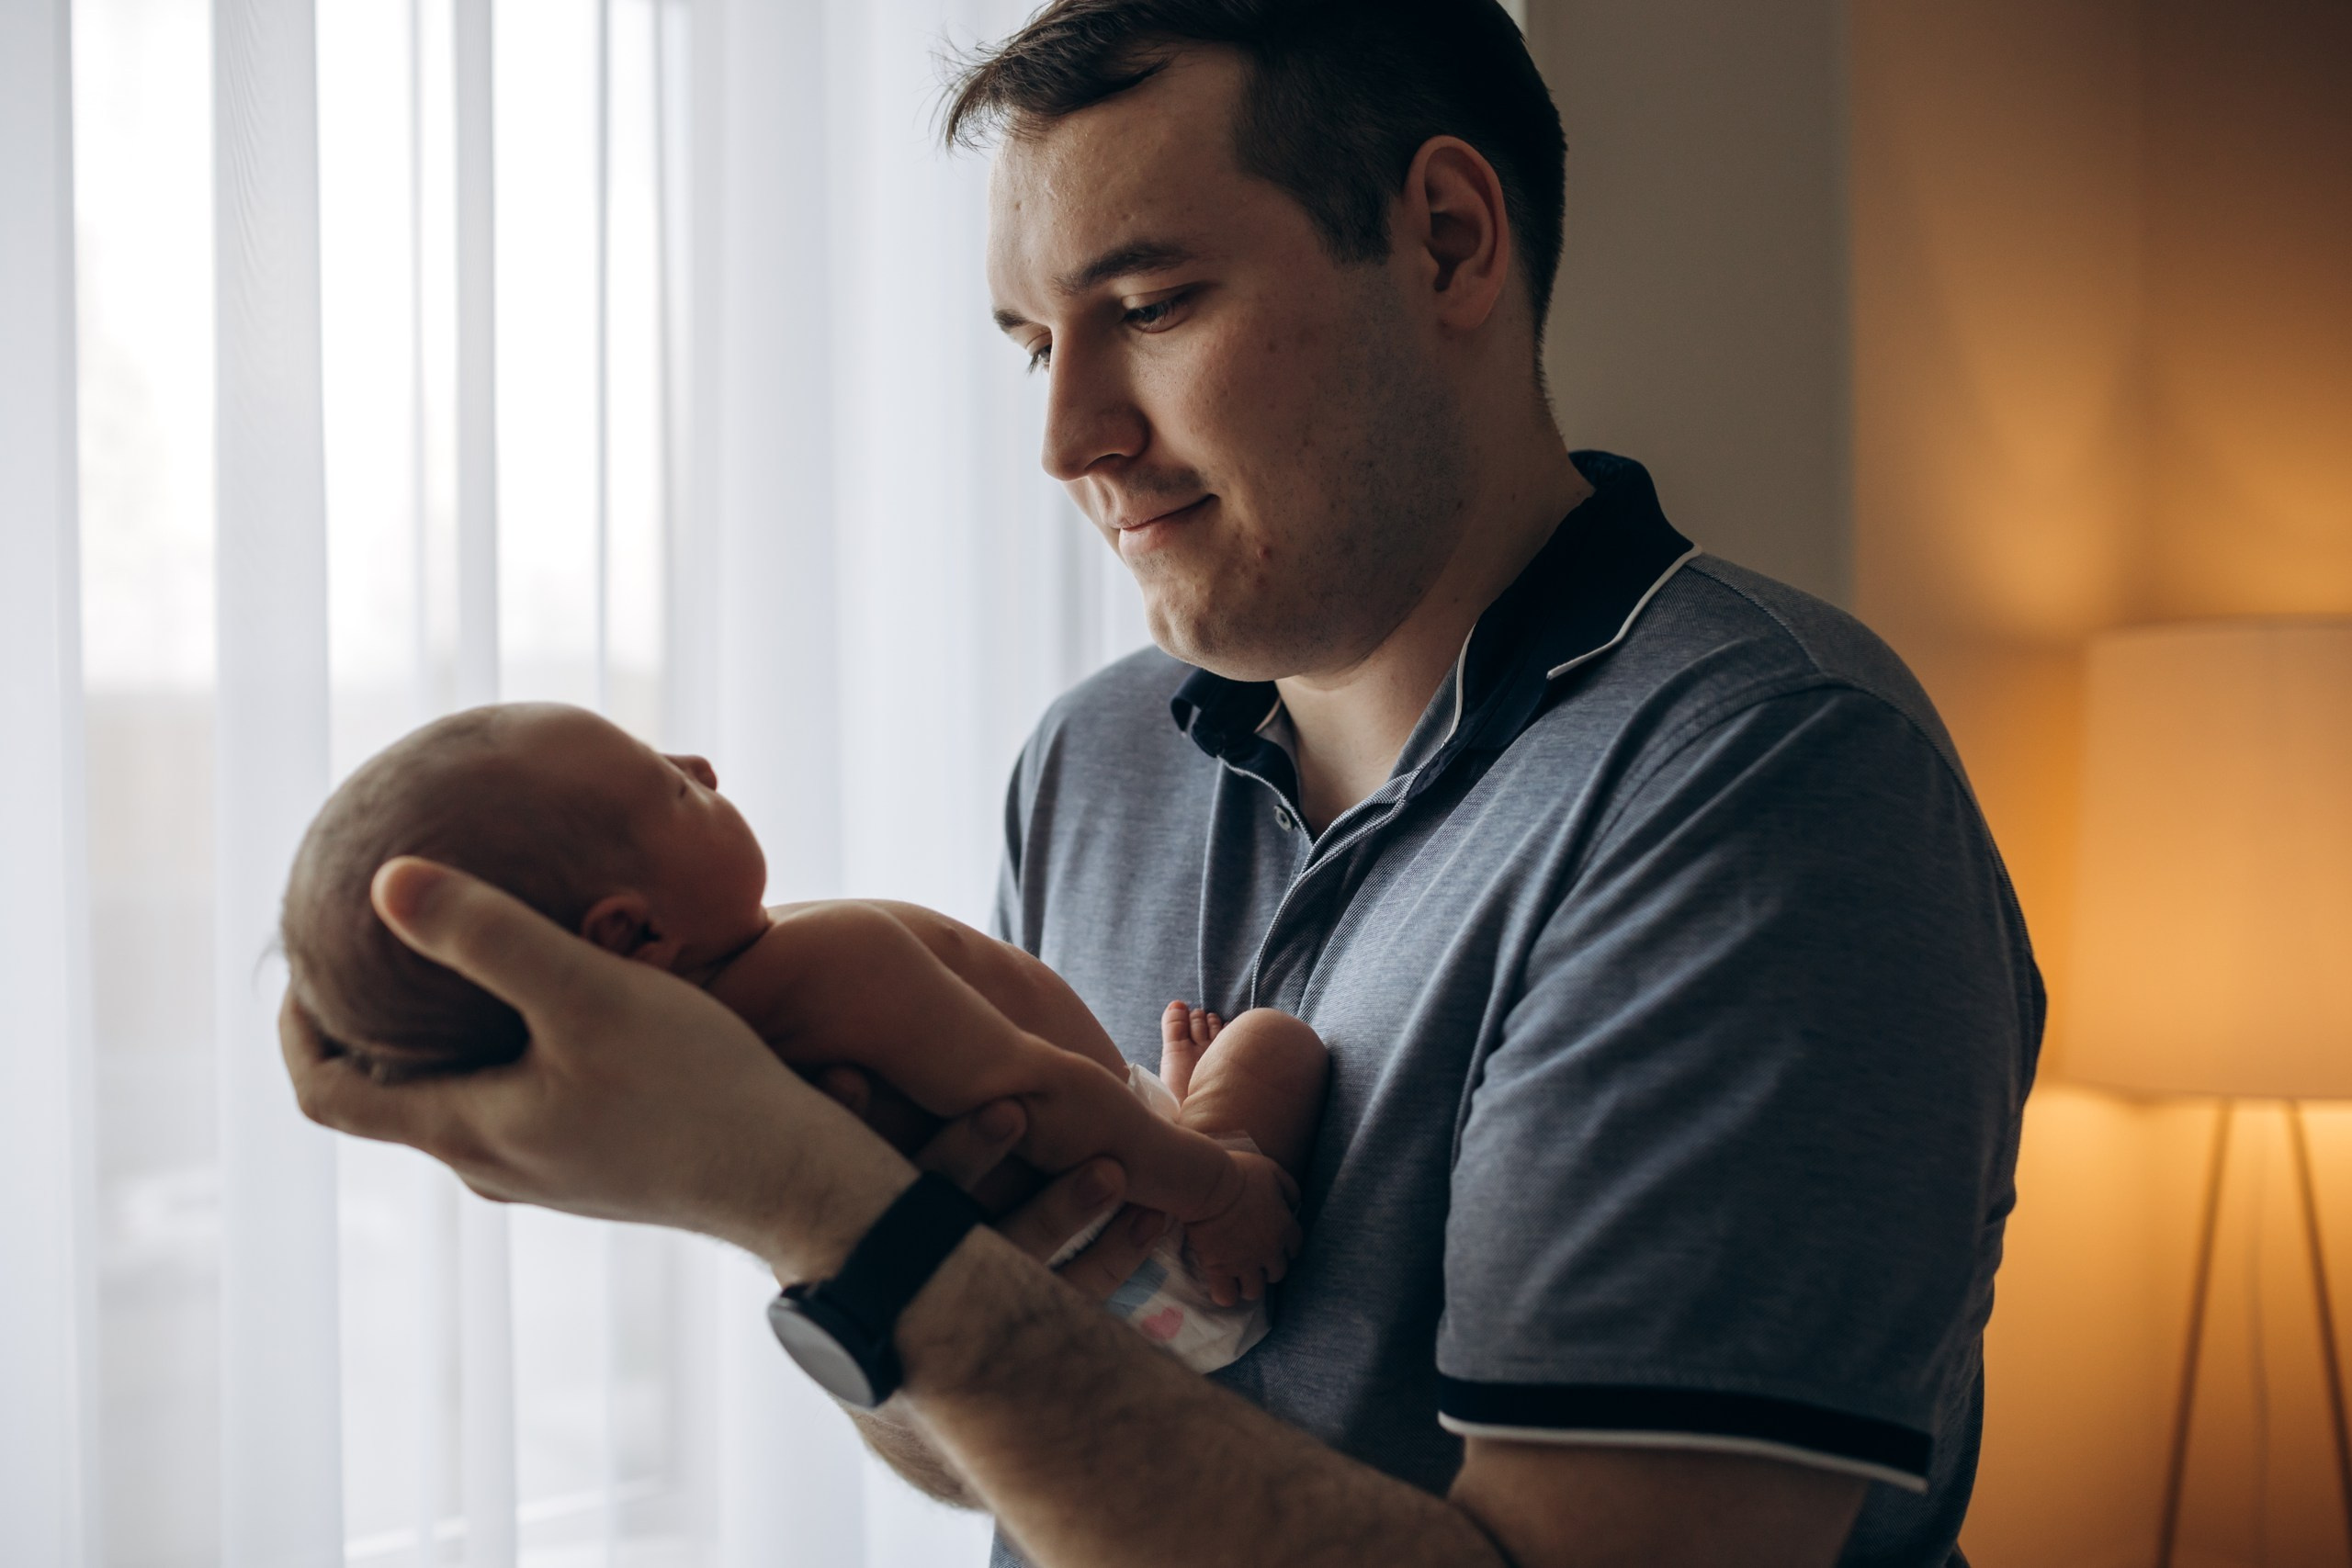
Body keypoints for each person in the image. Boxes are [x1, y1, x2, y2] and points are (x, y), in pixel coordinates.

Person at [283, 3, 2041, 1564]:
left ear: (1444, 240)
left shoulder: (1766, 785)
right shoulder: (1097, 755)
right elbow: (981, 1438)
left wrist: (797, 1194)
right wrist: (826, 1188)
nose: (1069, 439)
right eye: (1036, 345)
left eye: (1148, 305)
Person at [277, 700, 1328, 1341]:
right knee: (1270, 1040)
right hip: (1177, 1252)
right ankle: (1205, 1116)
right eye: (667, 786)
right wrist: (1214, 1185)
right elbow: (1046, 1101)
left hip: (1058, 1331)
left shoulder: (699, 1074)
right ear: (630, 936)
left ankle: (1175, 1106)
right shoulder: (828, 967)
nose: (702, 768)